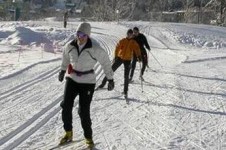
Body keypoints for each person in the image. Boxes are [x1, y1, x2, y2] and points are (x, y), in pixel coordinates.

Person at [58, 22, 114, 148]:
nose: (80, 37)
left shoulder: (95, 48)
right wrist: (62, 70)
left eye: (83, 34)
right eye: (78, 33)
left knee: (83, 112)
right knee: (66, 105)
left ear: (88, 35)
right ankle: (68, 132)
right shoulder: (70, 45)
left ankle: (88, 138)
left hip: (87, 82)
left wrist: (110, 79)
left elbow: (105, 62)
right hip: (72, 78)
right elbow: (66, 58)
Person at [97, 29, 141, 98]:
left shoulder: (133, 42)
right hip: (120, 58)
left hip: (128, 60)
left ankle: (125, 91)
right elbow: (117, 48)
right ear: (127, 34)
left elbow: (137, 49)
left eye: (130, 34)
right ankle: (102, 84)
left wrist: (139, 56)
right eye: (128, 34)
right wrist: (116, 56)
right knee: (110, 71)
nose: (129, 35)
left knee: (126, 76)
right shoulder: (122, 41)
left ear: (132, 35)